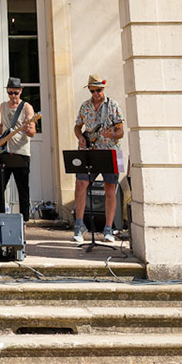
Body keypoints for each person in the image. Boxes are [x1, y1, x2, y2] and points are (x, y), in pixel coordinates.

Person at [71, 74, 125, 244]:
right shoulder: (85, 106)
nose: (96, 94)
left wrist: (113, 134)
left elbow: (121, 131)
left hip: (111, 151)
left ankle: (108, 229)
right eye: (93, 91)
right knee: (80, 184)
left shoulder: (113, 105)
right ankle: (79, 225)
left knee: (110, 188)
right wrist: (80, 136)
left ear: (104, 88)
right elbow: (77, 126)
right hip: (90, 150)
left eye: (99, 90)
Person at [0, 78, 36, 220]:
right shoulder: (3, 106)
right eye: (10, 93)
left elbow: (32, 132)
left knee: (22, 188)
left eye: (15, 93)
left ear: (20, 91)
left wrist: (27, 129)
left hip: (20, 153)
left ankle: (24, 220)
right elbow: (3, 126)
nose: (13, 96)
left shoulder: (27, 107)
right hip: (4, 152)